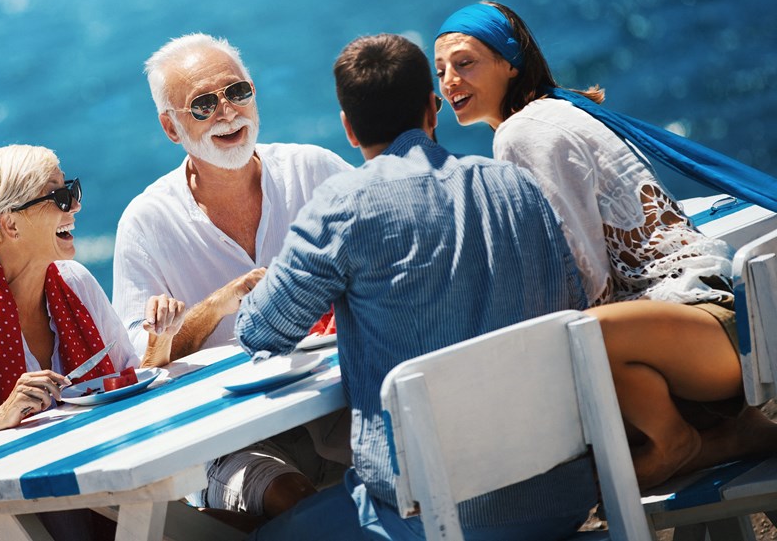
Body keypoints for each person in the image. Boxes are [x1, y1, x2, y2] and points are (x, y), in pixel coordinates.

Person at [236, 33, 598, 541]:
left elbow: (260, 330)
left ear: (348, 129)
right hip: (563, 496)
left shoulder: (343, 206)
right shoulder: (516, 184)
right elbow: (572, 308)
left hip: (434, 517)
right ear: (433, 108)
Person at [434, 0, 777, 488]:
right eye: (441, 70)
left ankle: (673, 441)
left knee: (574, 334)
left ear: (509, 62)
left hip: (705, 336)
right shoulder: (553, 112)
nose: (449, 81)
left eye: (465, 62)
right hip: (723, 328)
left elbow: (581, 274)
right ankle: (733, 431)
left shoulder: (521, 132)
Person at [0, 145, 184, 541]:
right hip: (2, 527)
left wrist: (161, 340)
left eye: (72, 190)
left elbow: (129, 381)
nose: (74, 206)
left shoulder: (76, 283)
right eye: (60, 196)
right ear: (11, 224)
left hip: (102, 504)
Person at [111, 33, 352, 522]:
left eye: (237, 92)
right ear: (170, 128)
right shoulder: (146, 222)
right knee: (297, 506)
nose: (227, 112)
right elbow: (144, 364)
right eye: (203, 105)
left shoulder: (314, 169)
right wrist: (214, 308)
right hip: (233, 438)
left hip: (341, 401)